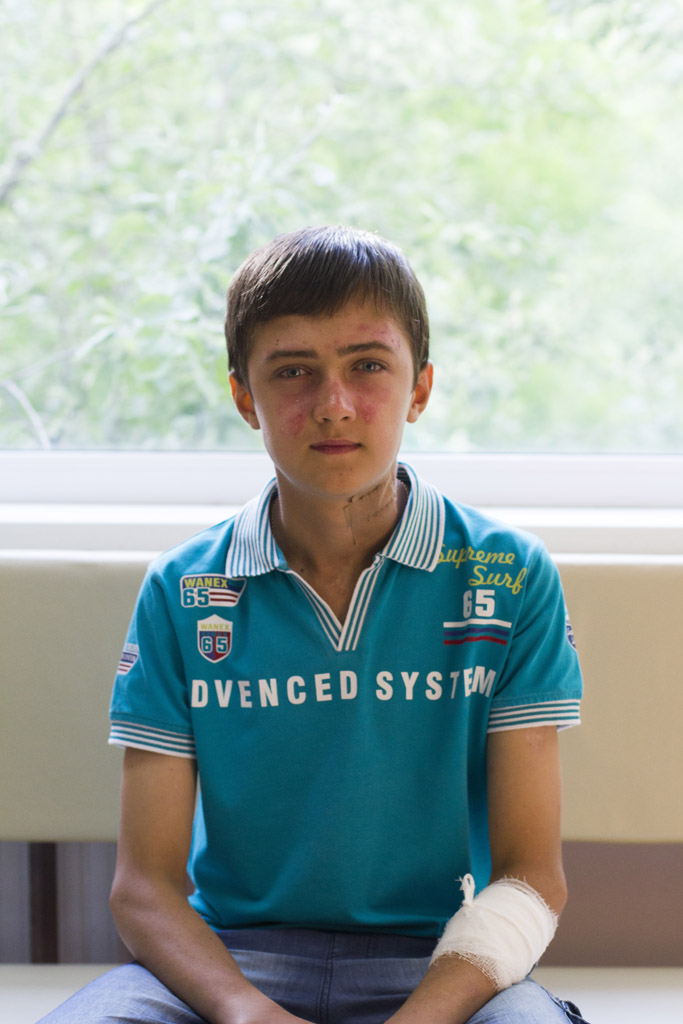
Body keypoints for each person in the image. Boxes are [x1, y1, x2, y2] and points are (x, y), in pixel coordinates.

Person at [40, 226, 587, 1024]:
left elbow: (530, 878)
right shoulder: (183, 589)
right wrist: (246, 1013)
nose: (333, 404)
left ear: (420, 389)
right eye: (293, 371)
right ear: (244, 398)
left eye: (368, 366)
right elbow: (144, 888)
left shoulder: (507, 573)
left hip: (442, 965)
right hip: (231, 961)